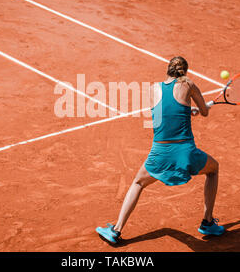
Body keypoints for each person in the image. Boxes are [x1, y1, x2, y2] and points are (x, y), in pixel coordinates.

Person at [96, 56, 225, 244]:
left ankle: (116, 230)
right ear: (185, 72)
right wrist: (200, 109)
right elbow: (204, 112)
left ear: (168, 71)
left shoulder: (153, 89)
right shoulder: (188, 83)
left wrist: (187, 112)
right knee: (213, 169)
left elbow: (162, 115)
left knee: (138, 183)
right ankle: (207, 222)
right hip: (186, 154)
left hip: (160, 154)